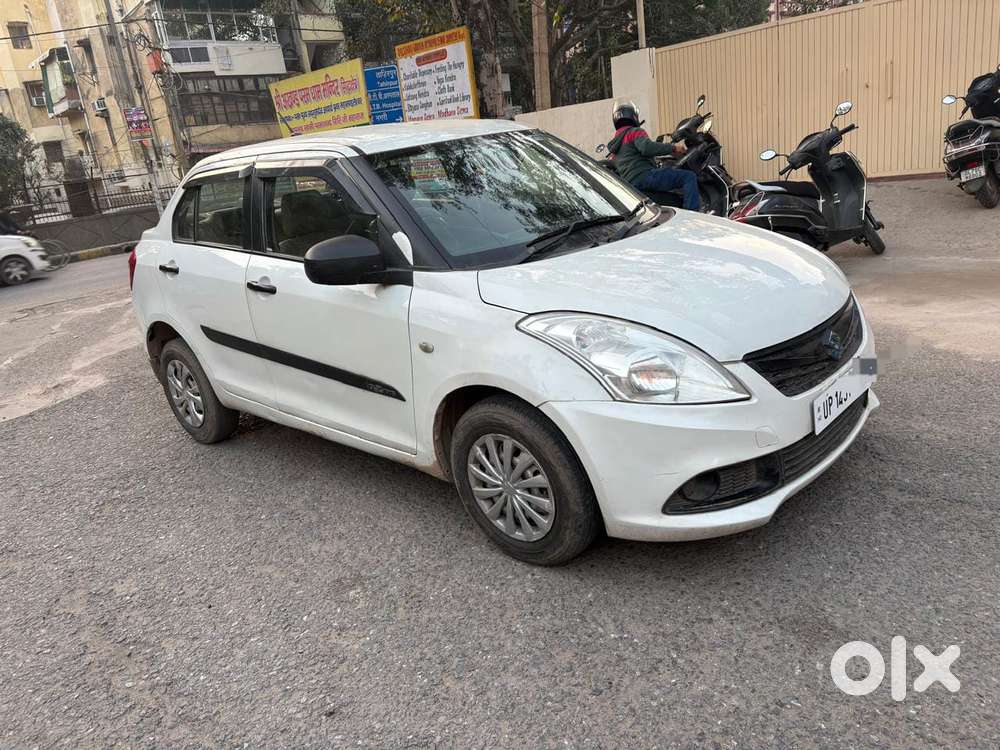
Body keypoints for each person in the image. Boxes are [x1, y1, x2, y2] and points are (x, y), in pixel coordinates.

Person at [606, 100, 701, 211]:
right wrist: (673, 148)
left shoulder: (615, 145)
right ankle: (692, 213)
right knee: (688, 177)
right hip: (646, 176)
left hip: (633, 186)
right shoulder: (634, 132)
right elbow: (647, 147)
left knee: (674, 197)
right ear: (633, 115)